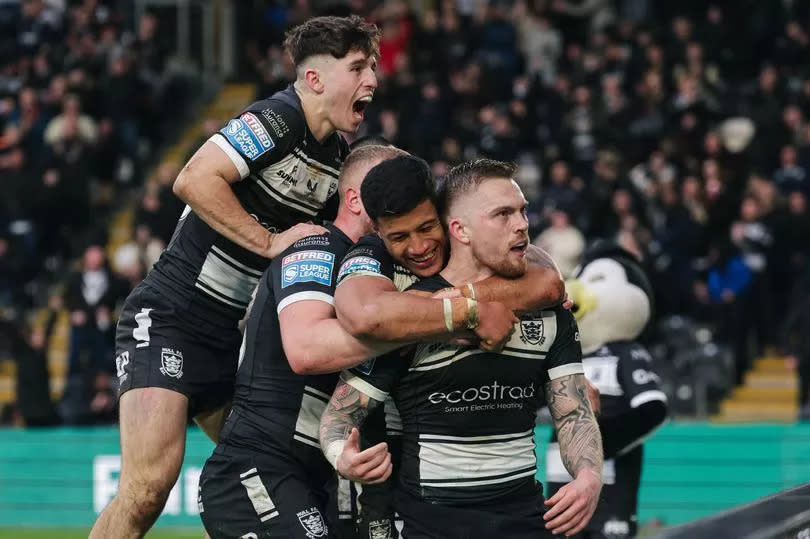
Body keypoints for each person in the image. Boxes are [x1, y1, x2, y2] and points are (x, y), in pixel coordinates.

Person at [90, 15, 381, 538]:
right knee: (149, 486)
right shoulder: (277, 118)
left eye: (373, 68)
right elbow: (194, 178)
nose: (372, 81)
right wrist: (270, 242)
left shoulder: (336, 158)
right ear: (314, 79)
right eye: (358, 67)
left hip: (232, 343)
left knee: (267, 464)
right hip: (172, 321)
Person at [320, 159, 603, 539]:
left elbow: (573, 413)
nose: (521, 224)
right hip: (429, 525)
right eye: (502, 214)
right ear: (461, 229)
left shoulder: (550, 309)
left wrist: (589, 476)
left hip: (527, 521)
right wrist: (343, 456)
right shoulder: (413, 316)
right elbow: (339, 416)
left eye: (522, 211)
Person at [546, 243, 668, 539]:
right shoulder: (565, 356)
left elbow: (652, 408)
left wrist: (600, 442)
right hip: (561, 483)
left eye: (597, 280)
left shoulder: (626, 352)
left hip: (610, 482)